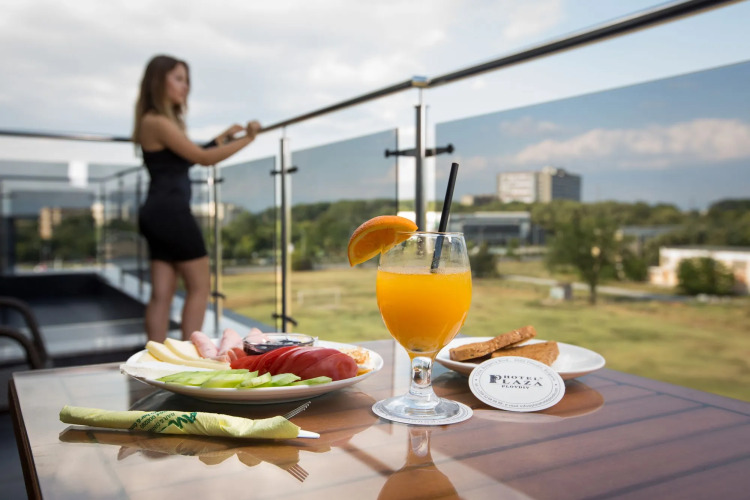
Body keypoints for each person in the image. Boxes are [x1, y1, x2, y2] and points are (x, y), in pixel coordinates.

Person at [132, 54, 262, 342]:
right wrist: (248, 138)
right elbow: (203, 158)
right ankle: (189, 356)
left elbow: (184, 158)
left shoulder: (150, 121)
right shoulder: (158, 121)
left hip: (155, 213)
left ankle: (156, 357)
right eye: (179, 79)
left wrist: (221, 138)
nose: (185, 87)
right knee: (200, 287)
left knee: (162, 294)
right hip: (172, 214)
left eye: (187, 80)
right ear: (158, 81)